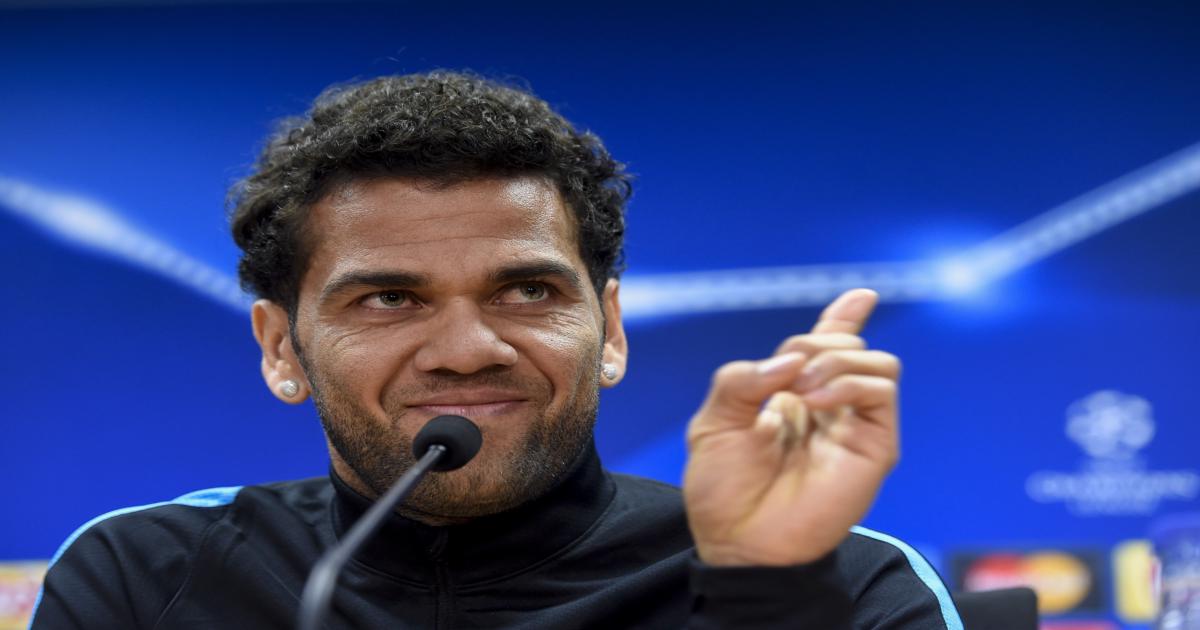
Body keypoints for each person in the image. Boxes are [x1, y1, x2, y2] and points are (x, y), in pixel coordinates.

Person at [30, 71, 963, 629]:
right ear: (283, 349)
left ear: (609, 330)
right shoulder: (144, 574)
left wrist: (765, 596)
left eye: (528, 292)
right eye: (389, 299)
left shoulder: (833, 575)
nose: (468, 350)